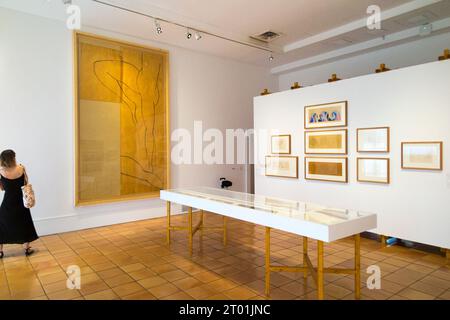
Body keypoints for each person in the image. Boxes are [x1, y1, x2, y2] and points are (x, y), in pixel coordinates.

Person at [0, 150, 38, 258]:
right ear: (13, 158)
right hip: (21, 202)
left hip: (8, 202)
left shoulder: (1, 171)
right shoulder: (21, 168)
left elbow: (2, 188)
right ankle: (26, 249)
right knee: (24, 222)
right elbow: (25, 183)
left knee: (2, 224)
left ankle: (0, 251)